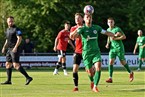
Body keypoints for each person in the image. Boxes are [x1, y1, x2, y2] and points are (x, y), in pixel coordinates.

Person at [70, 14, 115, 93]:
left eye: (90, 17)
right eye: (87, 17)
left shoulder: (96, 28)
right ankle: (92, 81)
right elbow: (73, 36)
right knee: (90, 72)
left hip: (96, 52)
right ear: (84, 19)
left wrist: (113, 34)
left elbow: (105, 32)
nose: (89, 19)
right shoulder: (82, 28)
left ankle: (95, 86)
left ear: (92, 19)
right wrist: (76, 30)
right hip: (86, 53)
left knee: (98, 67)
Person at [1, 16, 33, 85]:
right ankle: (8, 81)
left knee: (15, 65)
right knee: (8, 64)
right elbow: (7, 40)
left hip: (15, 49)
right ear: (7, 22)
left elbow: (19, 38)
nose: (10, 22)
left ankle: (28, 77)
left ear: (14, 21)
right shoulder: (7, 30)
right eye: (9, 21)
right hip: (9, 49)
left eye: (12, 21)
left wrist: (15, 47)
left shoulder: (17, 29)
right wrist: (4, 47)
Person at [105, 17, 134, 83]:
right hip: (112, 48)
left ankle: (131, 72)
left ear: (114, 22)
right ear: (107, 23)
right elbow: (109, 37)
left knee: (122, 62)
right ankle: (110, 78)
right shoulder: (108, 29)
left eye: (111, 22)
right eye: (109, 22)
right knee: (110, 62)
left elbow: (124, 37)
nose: (110, 23)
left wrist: (116, 38)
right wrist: (107, 44)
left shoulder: (117, 29)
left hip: (119, 48)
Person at [70, 13, 83, 91]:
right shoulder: (73, 28)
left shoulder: (86, 27)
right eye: (76, 18)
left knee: (90, 70)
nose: (77, 20)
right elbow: (72, 37)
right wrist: (77, 30)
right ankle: (76, 87)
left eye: (78, 18)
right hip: (77, 51)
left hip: (86, 51)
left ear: (82, 19)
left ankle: (93, 83)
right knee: (74, 69)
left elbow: (79, 36)